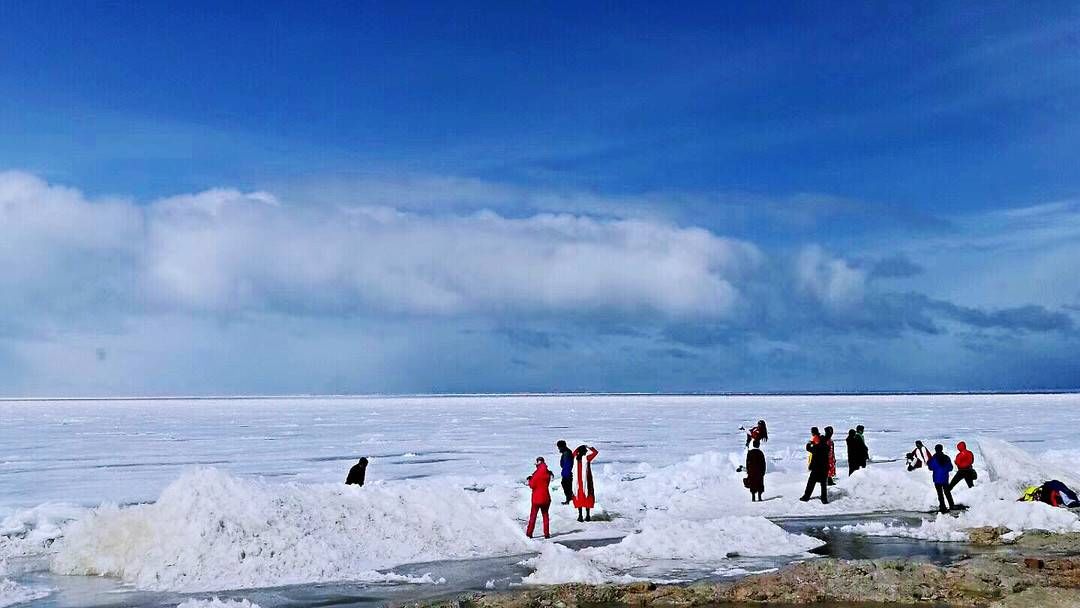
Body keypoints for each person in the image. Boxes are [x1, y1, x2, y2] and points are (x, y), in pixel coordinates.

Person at [800, 429, 831, 504]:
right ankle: (824, 499)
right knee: (823, 484)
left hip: (816, 468)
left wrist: (809, 443)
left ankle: (806, 497)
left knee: (811, 483)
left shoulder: (816, 448)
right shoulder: (827, 447)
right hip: (824, 468)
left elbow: (808, 448)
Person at [526, 457, 553, 538]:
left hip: (536, 498)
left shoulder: (537, 474)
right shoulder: (547, 473)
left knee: (533, 516)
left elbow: (532, 485)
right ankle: (546, 534)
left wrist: (530, 480)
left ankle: (529, 533)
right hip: (546, 497)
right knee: (545, 516)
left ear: (538, 463)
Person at [573, 445, 599, 522]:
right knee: (587, 496)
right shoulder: (586, 459)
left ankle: (580, 515)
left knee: (579, 497)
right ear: (585, 452)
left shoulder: (575, 458)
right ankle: (587, 515)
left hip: (577, 482)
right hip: (586, 481)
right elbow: (595, 452)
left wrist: (579, 448)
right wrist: (589, 447)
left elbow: (574, 452)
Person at [927, 444, 955, 513]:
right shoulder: (946, 457)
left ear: (935, 449)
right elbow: (951, 468)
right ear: (942, 449)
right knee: (947, 492)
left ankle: (943, 507)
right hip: (945, 478)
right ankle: (952, 505)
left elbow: (930, 468)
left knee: (940, 494)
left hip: (937, 479)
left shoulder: (933, 459)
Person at [556, 440, 574, 505]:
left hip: (567, 473)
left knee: (567, 486)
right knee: (566, 486)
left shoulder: (567, 453)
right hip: (566, 472)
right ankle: (569, 500)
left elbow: (567, 464)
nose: (558, 448)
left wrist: (565, 474)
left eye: (559, 447)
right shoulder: (566, 452)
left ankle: (569, 500)